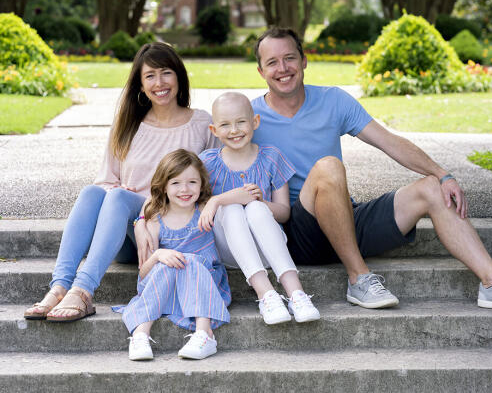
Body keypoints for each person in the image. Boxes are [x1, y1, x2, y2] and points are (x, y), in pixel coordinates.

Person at [250, 27, 492, 312]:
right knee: (328, 167)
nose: (282, 68)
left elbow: (389, 142)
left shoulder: (333, 100)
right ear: (261, 72)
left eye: (289, 58)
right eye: (272, 62)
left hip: (345, 219)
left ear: (304, 61)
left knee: (430, 188)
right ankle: (359, 278)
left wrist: (443, 175)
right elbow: (215, 162)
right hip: (298, 235)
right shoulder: (249, 118)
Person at [23, 42, 220, 322]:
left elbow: (209, 186)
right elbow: (106, 181)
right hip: (132, 239)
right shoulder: (127, 125)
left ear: (179, 76)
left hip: (174, 233)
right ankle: (59, 287)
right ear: (140, 85)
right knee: (94, 192)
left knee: (117, 197)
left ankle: (83, 290)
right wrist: (138, 221)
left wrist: (145, 217)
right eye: (150, 76)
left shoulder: (201, 123)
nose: (159, 82)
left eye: (166, 73)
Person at [198, 92, 320, 324]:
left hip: (268, 247)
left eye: (241, 122)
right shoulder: (206, 162)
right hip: (230, 250)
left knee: (255, 208)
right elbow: (202, 211)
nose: (234, 130)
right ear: (214, 131)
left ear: (255, 122)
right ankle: (266, 295)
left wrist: (260, 202)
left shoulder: (271, 157)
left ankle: (297, 294)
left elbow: (284, 213)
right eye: (225, 125)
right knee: (232, 209)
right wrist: (219, 200)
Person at [113, 149, 230, 361]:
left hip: (204, 285)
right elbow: (144, 275)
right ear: (164, 187)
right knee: (167, 261)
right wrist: (158, 255)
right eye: (175, 183)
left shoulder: (204, 209)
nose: (184, 189)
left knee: (190, 260)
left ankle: (205, 334)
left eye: (192, 182)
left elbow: (247, 195)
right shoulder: (156, 221)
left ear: (202, 184)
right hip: (167, 288)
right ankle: (140, 335)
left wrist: (216, 201)